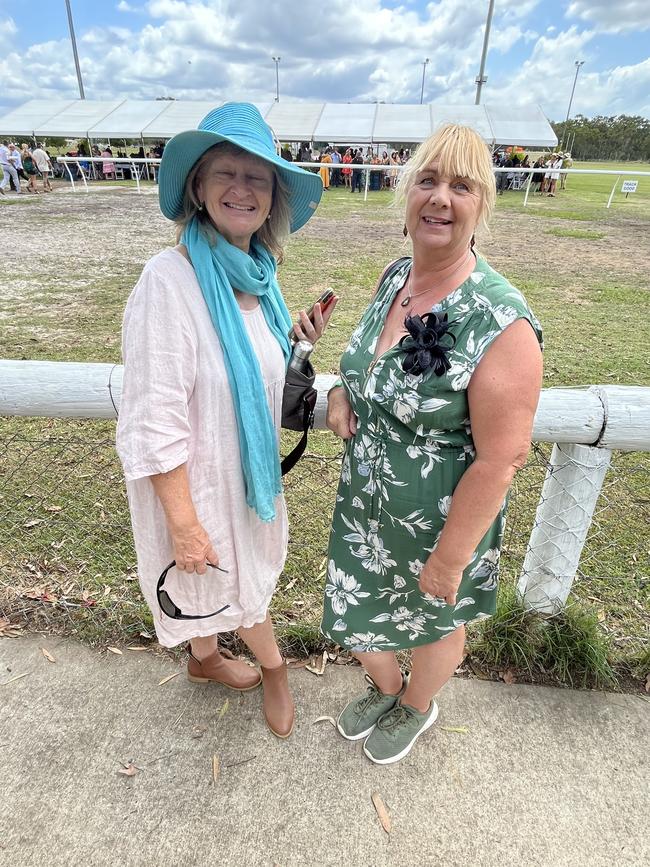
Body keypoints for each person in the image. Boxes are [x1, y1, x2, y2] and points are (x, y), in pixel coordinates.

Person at [322, 123, 543, 765]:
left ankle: (418, 704)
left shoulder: (500, 319)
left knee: (437, 623)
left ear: (482, 206)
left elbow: (504, 458)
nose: (441, 198)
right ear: (406, 195)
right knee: (359, 613)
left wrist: (450, 561)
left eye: (462, 185)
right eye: (428, 180)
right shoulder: (396, 277)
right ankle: (389, 687)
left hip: (443, 522)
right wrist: (342, 393)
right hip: (367, 505)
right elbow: (367, 363)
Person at [115, 102, 334, 740]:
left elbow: (260, 382)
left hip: (244, 476)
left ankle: (204, 659)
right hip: (194, 483)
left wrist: (296, 347)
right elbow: (152, 415)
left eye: (257, 177)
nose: (241, 188)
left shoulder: (262, 281)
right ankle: (274, 666)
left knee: (228, 580)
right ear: (199, 189)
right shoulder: (169, 281)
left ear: (273, 199)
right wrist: (182, 522)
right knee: (223, 581)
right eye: (226, 174)